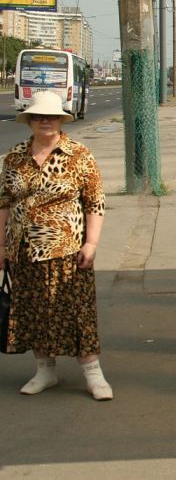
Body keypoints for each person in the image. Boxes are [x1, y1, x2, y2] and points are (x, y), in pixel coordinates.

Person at [0, 92, 111, 400]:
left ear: (61, 119)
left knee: (77, 312)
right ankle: (44, 371)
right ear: (30, 121)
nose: (45, 121)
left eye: (50, 116)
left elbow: (95, 202)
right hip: (23, 248)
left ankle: (93, 374)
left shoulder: (78, 155)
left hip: (68, 250)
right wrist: (1, 246)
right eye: (38, 117)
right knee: (34, 312)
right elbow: (4, 203)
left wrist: (92, 242)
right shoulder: (14, 157)